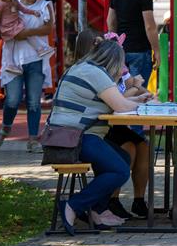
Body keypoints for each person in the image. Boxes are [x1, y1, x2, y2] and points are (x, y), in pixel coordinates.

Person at [50, 40, 143, 235]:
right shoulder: (95, 74)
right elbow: (121, 106)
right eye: (121, 65)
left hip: (72, 134)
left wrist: (138, 101)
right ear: (113, 61)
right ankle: (73, 205)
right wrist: (142, 105)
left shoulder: (85, 68)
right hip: (76, 137)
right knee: (120, 171)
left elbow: (118, 101)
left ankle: (97, 209)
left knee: (123, 158)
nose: (121, 71)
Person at [72, 29, 152, 219]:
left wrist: (139, 92)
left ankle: (138, 201)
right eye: (98, 45)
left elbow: (130, 90)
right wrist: (136, 93)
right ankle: (104, 203)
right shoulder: (91, 72)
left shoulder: (100, 69)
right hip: (96, 127)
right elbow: (116, 101)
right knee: (127, 151)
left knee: (143, 146)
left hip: (106, 124)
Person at [0, 0, 56, 153]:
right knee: (12, 100)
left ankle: (33, 140)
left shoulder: (45, 5)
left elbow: (48, 27)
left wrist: (24, 34)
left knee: (34, 102)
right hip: (13, 61)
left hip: (35, 60)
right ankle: (5, 128)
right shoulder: (8, 2)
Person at [107, 0, 160, 92]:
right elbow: (150, 26)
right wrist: (157, 50)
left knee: (123, 91)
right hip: (140, 51)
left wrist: (117, 44)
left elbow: (110, 21)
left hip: (122, 51)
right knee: (138, 91)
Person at [0, 0, 53, 73]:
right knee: (14, 42)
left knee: (13, 42)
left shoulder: (14, 2)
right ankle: (39, 49)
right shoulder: (0, 5)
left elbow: (23, 9)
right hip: (7, 28)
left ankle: (11, 64)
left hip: (16, 25)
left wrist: (33, 12)